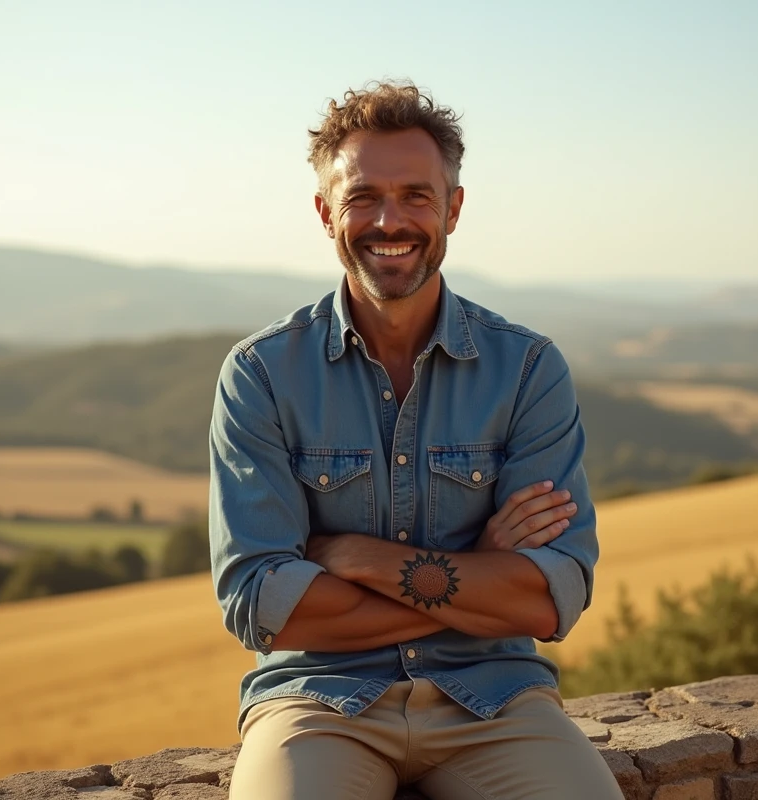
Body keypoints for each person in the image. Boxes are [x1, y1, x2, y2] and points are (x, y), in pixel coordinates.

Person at [209, 81, 624, 800]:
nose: (388, 219)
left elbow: (549, 599)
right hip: (317, 703)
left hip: (497, 700)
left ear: (453, 209)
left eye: (415, 196)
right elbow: (258, 603)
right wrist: (476, 573)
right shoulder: (261, 374)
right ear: (324, 213)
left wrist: (357, 559)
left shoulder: (527, 369)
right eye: (362, 196)